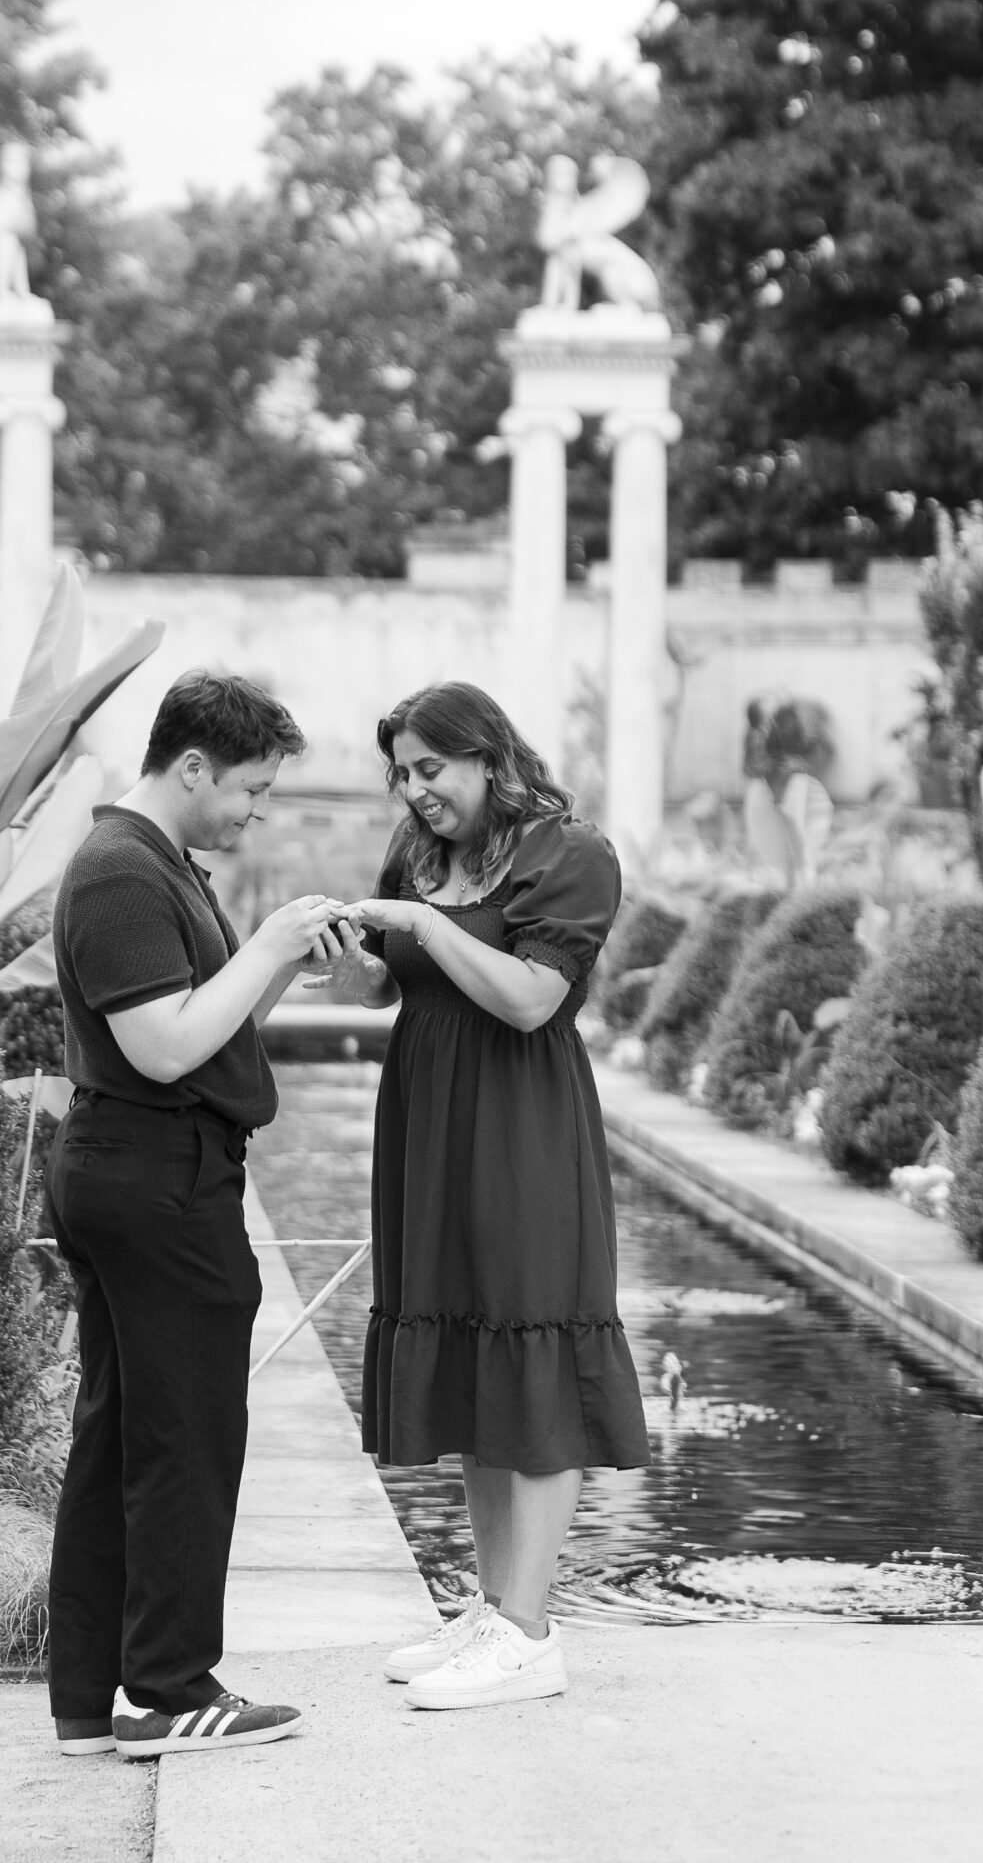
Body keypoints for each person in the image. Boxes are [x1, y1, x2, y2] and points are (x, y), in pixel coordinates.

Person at [43, 669, 349, 1760]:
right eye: (250, 788)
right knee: (186, 1440)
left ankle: (88, 1702)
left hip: (142, 1168)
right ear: (190, 766)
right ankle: (171, 1690)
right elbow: (164, 1048)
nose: (255, 811)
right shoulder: (121, 871)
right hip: (156, 1177)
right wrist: (263, 944)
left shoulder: (156, 862)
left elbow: (206, 1029)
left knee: (122, 1436)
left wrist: (277, 965)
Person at [342, 681, 649, 1710]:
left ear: (488, 755)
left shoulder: (571, 855)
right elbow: (382, 986)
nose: (414, 790)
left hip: (521, 1126)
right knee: (472, 1348)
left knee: (534, 1345)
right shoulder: (419, 854)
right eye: (401, 773)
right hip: (429, 1126)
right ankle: (490, 1608)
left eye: (430, 768)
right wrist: (346, 955)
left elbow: (528, 1000)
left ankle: (529, 1631)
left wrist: (420, 927)